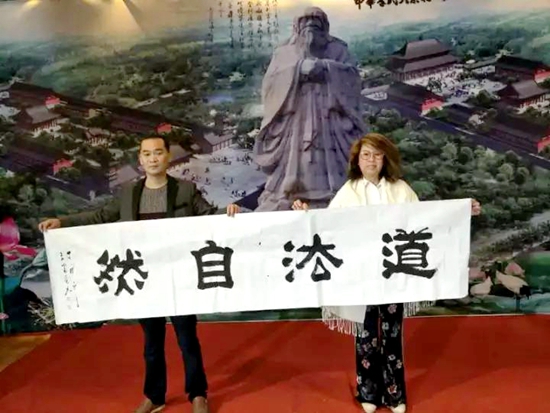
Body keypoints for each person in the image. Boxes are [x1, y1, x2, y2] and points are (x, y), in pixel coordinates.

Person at [38, 136, 241, 413]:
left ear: (168, 156)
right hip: (143, 279)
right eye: (147, 154)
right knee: (152, 343)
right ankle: (154, 396)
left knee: (187, 340)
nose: (153, 158)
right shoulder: (129, 193)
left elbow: (208, 216)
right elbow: (99, 216)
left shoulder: (185, 190)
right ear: (140, 160)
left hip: (178, 277)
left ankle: (197, 394)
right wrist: (63, 222)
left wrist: (228, 212)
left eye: (158, 153)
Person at [292, 133, 481, 413]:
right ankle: (368, 393)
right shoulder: (348, 191)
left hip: (393, 275)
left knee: (392, 333)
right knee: (366, 333)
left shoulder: (400, 189)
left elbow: (427, 219)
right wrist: (305, 214)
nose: (371, 160)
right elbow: (327, 227)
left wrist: (463, 211)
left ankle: (395, 394)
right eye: (366, 155)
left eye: (377, 155)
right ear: (357, 160)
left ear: (385, 159)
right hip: (361, 275)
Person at [253, 6, 366, 212]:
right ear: (296, 27)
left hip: (330, 119)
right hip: (296, 119)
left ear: (325, 27)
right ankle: (290, 191)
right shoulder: (283, 52)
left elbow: (353, 77)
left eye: (316, 21)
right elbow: (270, 84)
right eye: (305, 21)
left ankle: (336, 192)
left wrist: (326, 68)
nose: (310, 26)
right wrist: (297, 70)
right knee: (296, 160)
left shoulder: (338, 50)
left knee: (331, 160)